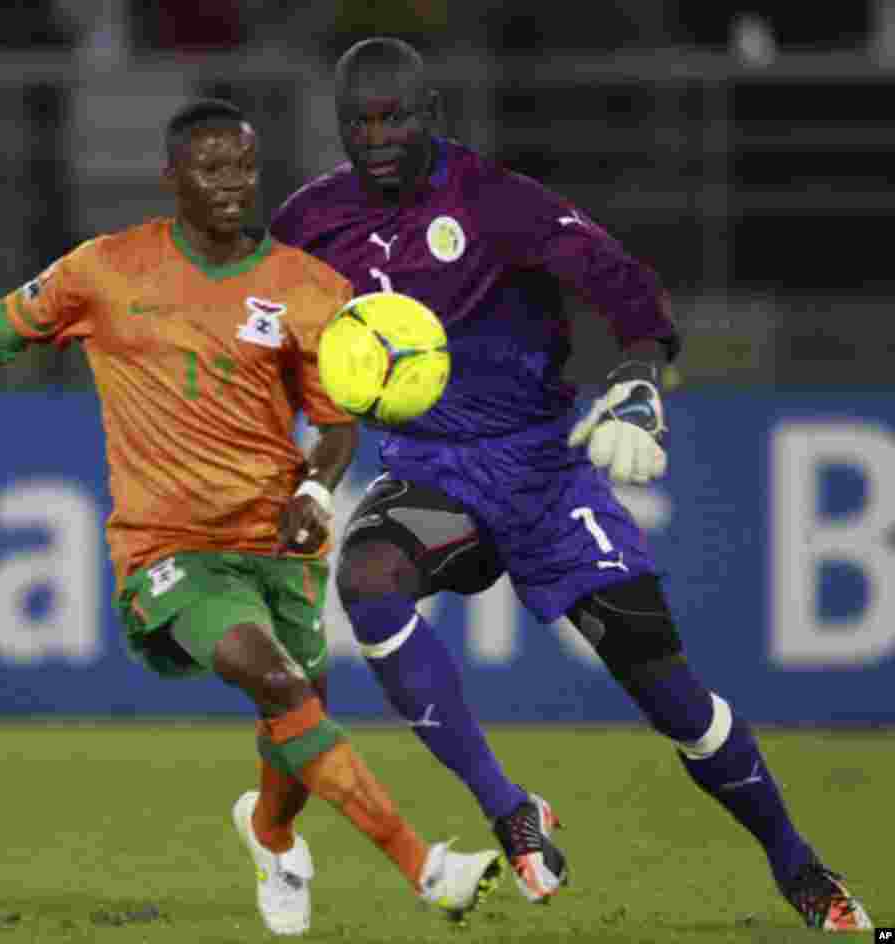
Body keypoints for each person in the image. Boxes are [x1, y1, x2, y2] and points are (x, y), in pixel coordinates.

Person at [269, 38, 873, 932]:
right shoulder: (308, 222)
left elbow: (627, 288)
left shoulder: (497, 201)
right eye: (359, 121)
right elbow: (257, 337)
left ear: (431, 113)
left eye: (396, 116)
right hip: (433, 472)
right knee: (366, 582)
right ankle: (509, 809)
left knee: (673, 697)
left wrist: (635, 384)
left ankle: (798, 863)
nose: (378, 136)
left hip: (544, 475)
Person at [0, 99, 504, 937]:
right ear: (172, 177)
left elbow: (337, 421)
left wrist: (315, 493)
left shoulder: (309, 287)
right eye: (211, 169)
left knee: (296, 723)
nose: (230, 185)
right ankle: (426, 868)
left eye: (243, 168)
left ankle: (271, 833)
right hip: (168, 552)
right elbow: (1, 328)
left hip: (280, 543)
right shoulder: (107, 268)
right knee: (280, 683)